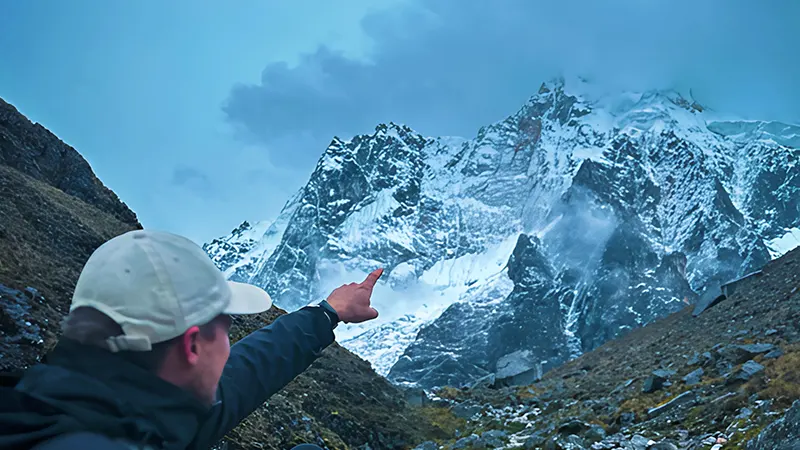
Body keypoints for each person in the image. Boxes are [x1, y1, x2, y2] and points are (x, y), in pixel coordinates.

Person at [0, 229, 383, 450]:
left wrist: (327, 313)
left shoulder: (61, 402)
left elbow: (241, 376)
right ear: (193, 346)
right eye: (227, 329)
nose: (229, 347)